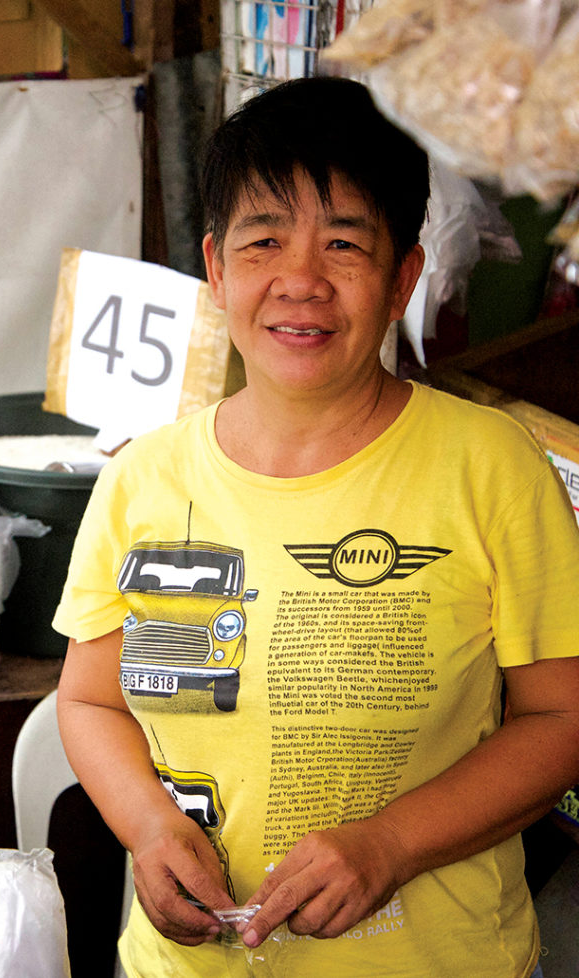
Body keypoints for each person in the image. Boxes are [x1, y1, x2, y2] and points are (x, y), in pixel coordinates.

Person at [52, 75, 579, 978]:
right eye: (264, 241)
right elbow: (91, 699)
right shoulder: (143, 479)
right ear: (218, 269)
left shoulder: (494, 468)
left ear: (402, 277)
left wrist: (392, 845)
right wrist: (147, 826)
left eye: (344, 244)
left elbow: (563, 717)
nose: (300, 280)